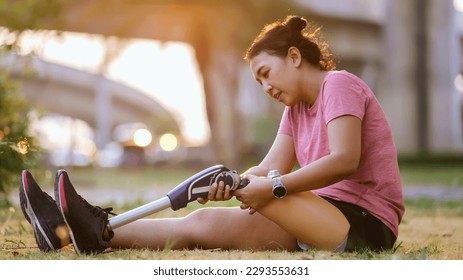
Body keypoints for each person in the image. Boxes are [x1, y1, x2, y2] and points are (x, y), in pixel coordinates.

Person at [19, 15, 404, 254]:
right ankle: (69, 230)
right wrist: (230, 184)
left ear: (293, 56)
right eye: (258, 82)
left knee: (248, 186)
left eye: (266, 74)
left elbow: (343, 160)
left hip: (362, 225)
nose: (265, 87)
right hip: (313, 217)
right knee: (199, 225)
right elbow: (269, 168)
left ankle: (78, 225)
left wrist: (267, 188)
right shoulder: (294, 110)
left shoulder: (338, 85)